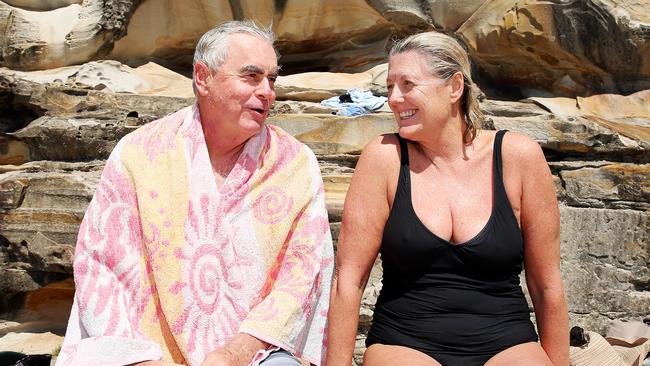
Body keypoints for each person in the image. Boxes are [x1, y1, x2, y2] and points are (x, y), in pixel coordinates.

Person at [57, 20, 334, 366]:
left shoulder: (294, 163)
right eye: (251, 76)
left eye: (272, 79)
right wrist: (142, 361)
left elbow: (302, 276)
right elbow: (100, 267)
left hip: (254, 354)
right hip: (144, 352)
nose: (267, 91)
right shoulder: (139, 153)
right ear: (203, 78)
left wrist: (234, 354)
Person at [325, 31, 569, 366]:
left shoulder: (517, 156)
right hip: (405, 343)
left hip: (506, 343)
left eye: (408, 84)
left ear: (455, 88)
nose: (394, 98)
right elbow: (348, 280)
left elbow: (547, 286)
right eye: (389, 87)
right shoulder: (384, 158)